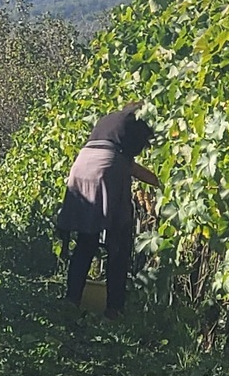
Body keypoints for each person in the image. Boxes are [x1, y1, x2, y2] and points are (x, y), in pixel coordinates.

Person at [57, 107, 160, 317]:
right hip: (107, 169)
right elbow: (120, 162)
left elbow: (130, 165)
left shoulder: (112, 122)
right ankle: (114, 309)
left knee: (86, 241)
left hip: (81, 165)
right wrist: (164, 184)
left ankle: (72, 300)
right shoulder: (141, 121)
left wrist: (158, 182)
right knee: (119, 244)